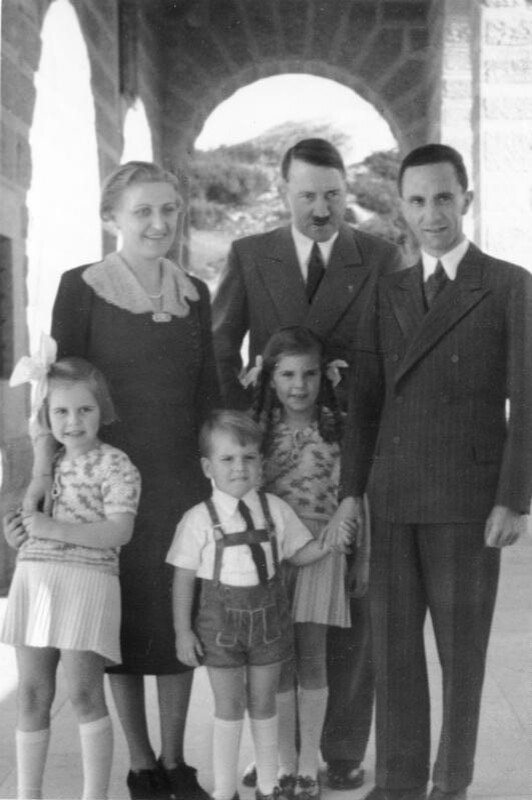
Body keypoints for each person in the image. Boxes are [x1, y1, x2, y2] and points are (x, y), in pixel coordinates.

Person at [18, 161, 220, 800]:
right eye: (142, 212)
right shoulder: (82, 286)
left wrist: (220, 479)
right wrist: (43, 474)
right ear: (113, 218)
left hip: (181, 482)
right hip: (105, 486)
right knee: (122, 619)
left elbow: (209, 393)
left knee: (178, 611)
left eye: (169, 210)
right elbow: (61, 387)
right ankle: (140, 765)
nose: (159, 223)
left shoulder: (196, 293)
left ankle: (176, 759)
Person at [339, 144, 532, 800]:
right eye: (417, 201)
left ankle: (450, 782)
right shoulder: (386, 288)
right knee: (393, 655)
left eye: (444, 198)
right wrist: (349, 495)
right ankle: (396, 784)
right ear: (401, 208)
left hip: (467, 502)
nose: (432, 214)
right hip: (391, 500)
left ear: (466, 200)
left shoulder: (508, 285)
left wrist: (514, 499)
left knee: (461, 658)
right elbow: (364, 399)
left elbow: (528, 399)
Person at [213, 137, 404, 790]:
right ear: (283, 192)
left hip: (353, 453)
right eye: (306, 196)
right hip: (274, 459)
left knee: (348, 611)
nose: (321, 209)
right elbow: (220, 348)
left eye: (332, 194)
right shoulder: (249, 255)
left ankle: (341, 751)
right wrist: (239, 425)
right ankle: (277, 750)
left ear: (345, 190)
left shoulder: (378, 256)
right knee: (270, 616)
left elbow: (399, 350)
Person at [166, 410, 352, 800]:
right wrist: (182, 630)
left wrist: (328, 542)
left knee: (265, 702)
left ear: (261, 464)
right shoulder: (198, 520)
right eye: (228, 459)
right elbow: (183, 577)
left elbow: (299, 554)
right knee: (229, 706)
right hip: (220, 628)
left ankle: (270, 784)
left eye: (249, 458)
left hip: (270, 625)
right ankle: (223, 789)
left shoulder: (275, 510)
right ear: (207, 466)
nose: (239, 468)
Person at [1, 353, 141, 800]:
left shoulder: (115, 464)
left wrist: (53, 529)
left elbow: (120, 530)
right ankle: (27, 794)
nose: (74, 421)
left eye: (86, 409)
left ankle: (94, 795)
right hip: (37, 580)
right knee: (31, 694)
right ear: (45, 415)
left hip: (86, 583)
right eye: (60, 411)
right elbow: (26, 521)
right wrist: (17, 532)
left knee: (83, 693)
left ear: (103, 410)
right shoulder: (43, 463)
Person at [249, 326, 369, 800]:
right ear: (270, 377)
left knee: (313, 658)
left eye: (309, 374)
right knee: (276, 661)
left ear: (325, 376)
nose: (298, 385)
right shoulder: (258, 430)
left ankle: (307, 763)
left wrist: (362, 560)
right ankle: (279, 761)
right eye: (287, 374)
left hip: (322, 550)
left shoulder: (338, 430)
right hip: (271, 555)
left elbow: (357, 498)